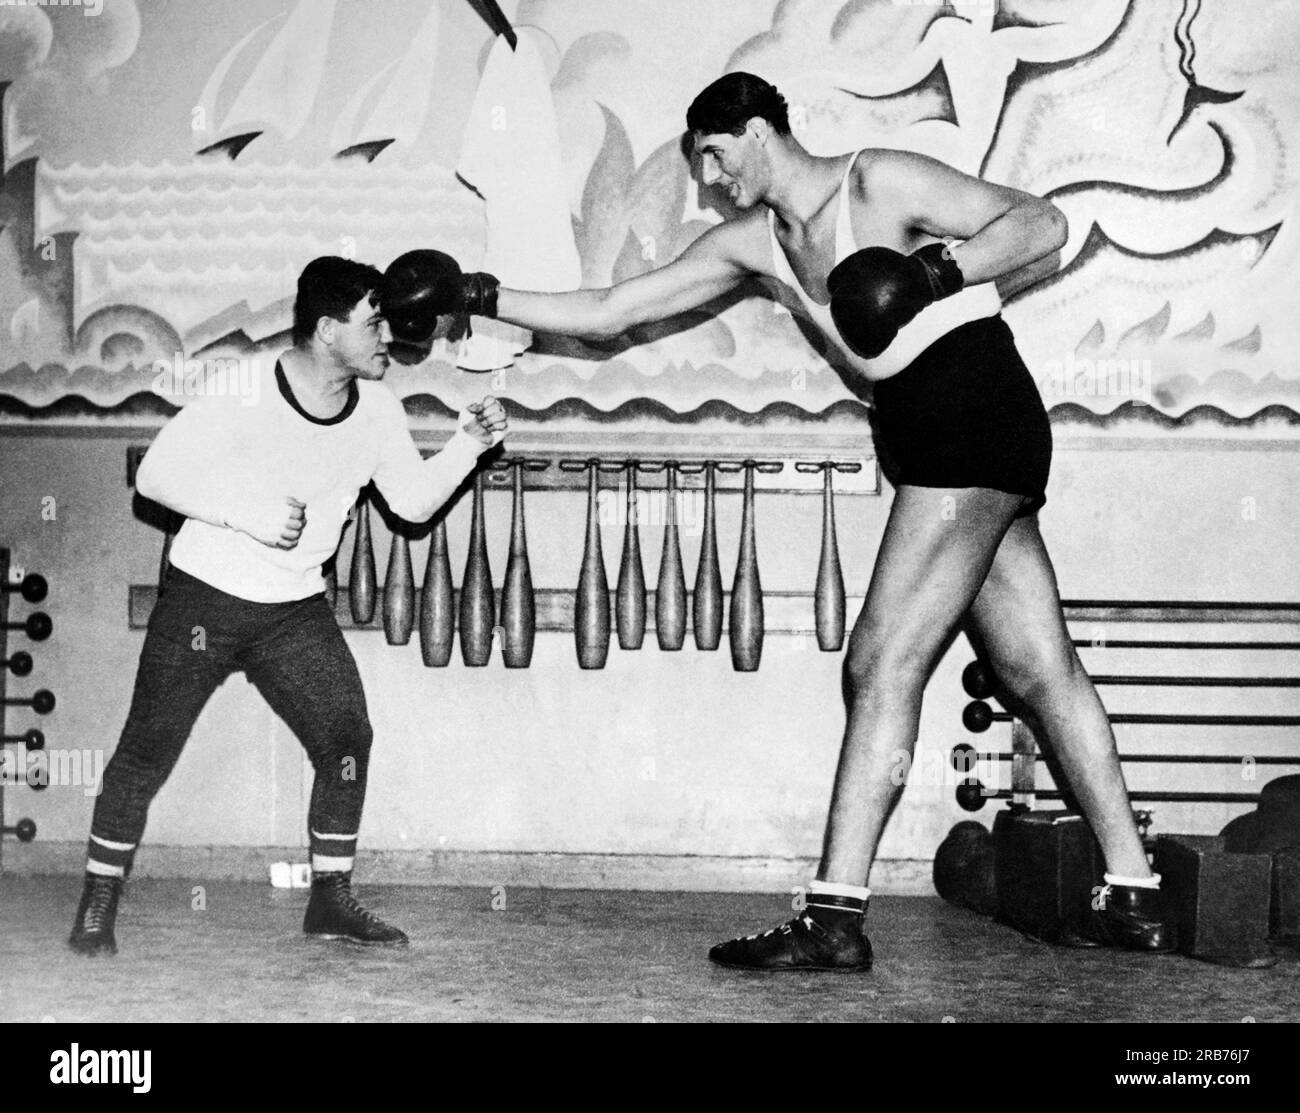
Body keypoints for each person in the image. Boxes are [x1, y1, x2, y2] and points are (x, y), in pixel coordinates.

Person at [382, 72, 1177, 971]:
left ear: (759, 130)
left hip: (972, 407)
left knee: (881, 659)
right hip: (922, 432)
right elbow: (613, 312)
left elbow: (1042, 223)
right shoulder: (755, 245)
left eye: (716, 157)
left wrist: (932, 273)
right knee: (1039, 666)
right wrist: (479, 296)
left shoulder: (876, 182)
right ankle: (1134, 890)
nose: (712, 180)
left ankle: (835, 914)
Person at [69, 257, 507, 956]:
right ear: (329, 330)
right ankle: (98, 898)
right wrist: (246, 511)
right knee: (144, 752)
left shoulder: (378, 409)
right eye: (372, 321)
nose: (388, 332)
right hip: (203, 598)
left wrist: (468, 443)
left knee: (346, 739)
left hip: (292, 610)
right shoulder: (244, 387)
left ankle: (330, 901)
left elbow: (412, 503)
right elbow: (155, 476)